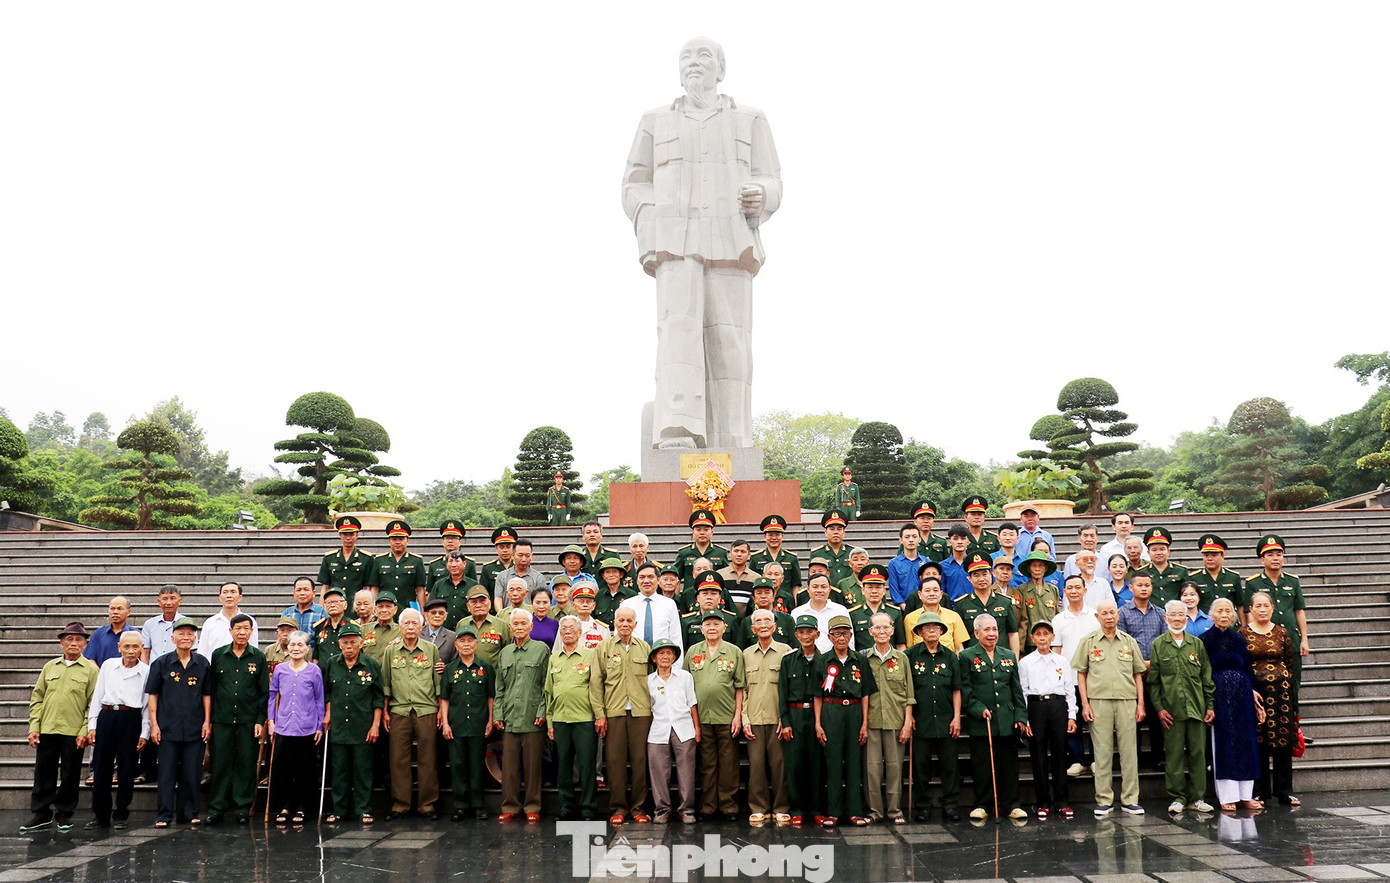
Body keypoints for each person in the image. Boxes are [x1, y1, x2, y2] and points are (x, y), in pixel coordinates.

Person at [622, 34, 781, 448]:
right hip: (675, 240)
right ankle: (679, 428)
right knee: (677, 333)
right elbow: (633, 184)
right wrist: (653, 216)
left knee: (731, 339)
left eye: (703, 56)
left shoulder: (750, 118)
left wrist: (762, 196)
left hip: (731, 239)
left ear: (720, 69)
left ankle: (733, 436)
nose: (694, 63)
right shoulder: (655, 120)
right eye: (686, 57)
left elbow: (772, 178)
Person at [1072, 599, 1147, 817]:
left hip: (1126, 701)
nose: (1109, 617)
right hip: (1099, 702)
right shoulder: (1088, 642)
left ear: (1118, 614)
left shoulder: (1129, 642)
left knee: (1129, 753)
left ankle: (1130, 799)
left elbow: (1137, 674)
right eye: (1104, 613)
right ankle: (1104, 800)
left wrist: (1140, 703)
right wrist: (1084, 704)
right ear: (1097, 617)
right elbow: (1081, 674)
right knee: (1102, 753)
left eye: (1112, 612)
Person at [22, 622, 99, 834]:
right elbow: (37, 698)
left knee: (70, 773)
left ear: (85, 644)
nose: (73, 643)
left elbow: (93, 703)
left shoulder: (91, 670)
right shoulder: (50, 667)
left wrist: (84, 730)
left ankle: (65, 814)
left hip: (73, 732)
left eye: (78, 640)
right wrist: (34, 726)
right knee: (43, 771)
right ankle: (41, 814)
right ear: (61, 643)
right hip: (47, 728)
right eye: (69, 639)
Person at [1148, 600, 1216, 814]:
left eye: (1181, 615)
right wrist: (1159, 708)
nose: (1177, 619)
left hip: (1196, 708)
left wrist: (1210, 705)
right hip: (1172, 711)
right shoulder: (1158, 645)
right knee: (1174, 755)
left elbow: (1206, 677)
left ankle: (1197, 797)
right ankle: (1177, 796)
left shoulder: (1197, 644)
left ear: (1187, 619)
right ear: (1165, 618)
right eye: (1173, 615)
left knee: (1198, 754)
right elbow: (1154, 681)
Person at [959, 614, 1028, 821]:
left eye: (994, 629)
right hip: (982, 721)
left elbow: (1017, 690)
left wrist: (1020, 716)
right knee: (982, 765)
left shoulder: (1007, 655)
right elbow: (965, 689)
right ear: (976, 633)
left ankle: (1012, 805)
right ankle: (982, 804)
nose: (992, 634)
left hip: (1006, 719)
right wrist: (978, 708)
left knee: (1009, 765)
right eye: (987, 630)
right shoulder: (967, 656)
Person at [145, 617, 211, 827]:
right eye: (181, 633)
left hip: (194, 726)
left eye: (190, 634)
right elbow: (153, 695)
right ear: (172, 638)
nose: (185, 637)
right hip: (167, 728)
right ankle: (164, 815)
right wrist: (154, 724)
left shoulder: (202, 663)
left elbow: (207, 695)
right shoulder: (161, 663)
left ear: (195, 638)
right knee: (166, 773)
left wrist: (207, 721)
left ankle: (188, 813)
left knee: (191, 772)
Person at [1201, 599, 1265, 813]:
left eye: (1228, 611)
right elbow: (1204, 672)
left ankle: (1245, 795)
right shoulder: (1205, 640)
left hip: (1242, 695)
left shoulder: (1238, 638)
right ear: (1212, 615)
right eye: (1219, 611)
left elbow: (1248, 667)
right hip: (1219, 696)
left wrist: (1254, 693)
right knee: (1225, 744)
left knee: (1246, 742)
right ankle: (1227, 796)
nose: (1224, 614)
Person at [592, 607, 654, 825]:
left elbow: (652, 680)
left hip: (641, 712)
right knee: (616, 761)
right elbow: (596, 682)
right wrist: (600, 714)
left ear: (635, 624)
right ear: (614, 622)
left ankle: (638, 807)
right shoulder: (604, 648)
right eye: (621, 620)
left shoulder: (645, 648)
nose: (625, 624)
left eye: (629, 620)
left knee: (639, 761)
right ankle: (618, 806)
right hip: (614, 711)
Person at [206, 613, 268, 825]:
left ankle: (242, 807)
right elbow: (212, 689)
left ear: (252, 631)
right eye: (238, 628)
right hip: (222, 719)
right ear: (230, 631)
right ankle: (217, 807)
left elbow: (263, 692)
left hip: (248, 721)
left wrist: (260, 720)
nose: (242, 632)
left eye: (246, 628)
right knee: (220, 763)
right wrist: (209, 720)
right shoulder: (218, 655)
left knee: (245, 764)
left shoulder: (258, 657)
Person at [83, 631, 149, 831]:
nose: (131, 651)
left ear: (141, 647)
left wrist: (144, 732)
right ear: (119, 647)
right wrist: (92, 725)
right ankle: (100, 815)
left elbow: (147, 705)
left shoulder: (146, 671)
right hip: (107, 715)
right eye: (126, 647)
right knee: (101, 767)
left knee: (127, 768)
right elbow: (97, 696)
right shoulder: (108, 666)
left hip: (131, 718)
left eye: (135, 647)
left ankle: (121, 813)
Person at [815, 614, 876, 828]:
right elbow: (817, 694)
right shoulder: (822, 660)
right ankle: (832, 812)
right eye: (838, 634)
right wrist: (818, 723)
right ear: (830, 637)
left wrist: (865, 723)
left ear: (851, 636)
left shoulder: (860, 660)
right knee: (832, 762)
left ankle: (853, 811)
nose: (842, 638)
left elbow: (866, 692)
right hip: (831, 711)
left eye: (846, 633)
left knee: (853, 762)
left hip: (854, 711)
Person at [684, 609, 745, 820]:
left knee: (728, 765)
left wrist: (738, 715)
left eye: (716, 624)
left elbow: (740, 686)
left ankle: (729, 806)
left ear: (724, 627)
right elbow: (685, 684)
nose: (712, 628)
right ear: (701, 629)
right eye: (707, 624)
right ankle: (708, 806)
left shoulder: (734, 651)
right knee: (707, 764)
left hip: (726, 716)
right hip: (701, 717)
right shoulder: (692, 651)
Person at [381, 608, 441, 820]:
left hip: (426, 709)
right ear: (399, 627)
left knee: (428, 759)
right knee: (398, 759)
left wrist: (441, 709)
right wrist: (386, 711)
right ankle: (401, 804)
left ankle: (427, 805)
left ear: (421, 626)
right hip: (399, 710)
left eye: (414, 623)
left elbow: (437, 681)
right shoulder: (391, 651)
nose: (410, 627)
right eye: (406, 623)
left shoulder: (430, 649)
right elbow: (386, 681)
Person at [1241, 591, 1300, 805]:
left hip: (1281, 695)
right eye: (1258, 606)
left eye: (1266, 605)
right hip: (1256, 695)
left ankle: (1285, 791)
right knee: (1259, 741)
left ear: (1272, 608)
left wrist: (1279, 679)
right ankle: (1260, 791)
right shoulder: (1243, 633)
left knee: (1283, 742)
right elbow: (1242, 664)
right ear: (1251, 609)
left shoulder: (1282, 632)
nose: (1263, 609)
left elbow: (1290, 663)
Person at [323, 622, 383, 825]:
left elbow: (377, 698)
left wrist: (375, 725)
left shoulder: (370, 665)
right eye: (345, 642)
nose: (349, 646)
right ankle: (339, 810)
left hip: (362, 726)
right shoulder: (332, 663)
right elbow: (328, 691)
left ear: (361, 643)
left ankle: (364, 809)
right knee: (339, 770)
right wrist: (328, 713)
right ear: (339, 645)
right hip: (339, 725)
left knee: (362, 770)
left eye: (353, 642)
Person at [1243, 534, 1309, 712]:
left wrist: (1304, 639)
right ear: (1262, 559)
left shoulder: (1293, 581)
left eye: (1279, 554)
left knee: (1293, 683)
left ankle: (1295, 726)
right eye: (1270, 554)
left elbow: (1299, 611)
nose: (1275, 558)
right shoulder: (1253, 583)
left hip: (1290, 640)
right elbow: (1249, 613)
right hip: (1264, 642)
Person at [905, 613, 962, 823]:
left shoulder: (950, 657)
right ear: (919, 632)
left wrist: (957, 717)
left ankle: (950, 805)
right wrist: (908, 717)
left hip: (947, 719)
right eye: (926, 627)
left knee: (950, 766)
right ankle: (922, 806)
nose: (931, 630)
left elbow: (956, 689)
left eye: (936, 627)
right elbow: (907, 688)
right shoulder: (910, 656)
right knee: (920, 766)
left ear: (941, 631)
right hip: (922, 720)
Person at [495, 608, 549, 822]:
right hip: (509, 717)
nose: (518, 627)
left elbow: (547, 684)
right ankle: (510, 806)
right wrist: (498, 713)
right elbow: (500, 686)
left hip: (532, 716)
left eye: (522, 624)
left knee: (533, 766)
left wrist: (542, 711)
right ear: (510, 627)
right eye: (515, 624)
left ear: (531, 626)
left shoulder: (541, 649)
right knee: (509, 768)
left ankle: (532, 806)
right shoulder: (505, 653)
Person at [1018, 620, 1076, 820]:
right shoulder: (1025, 663)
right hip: (1036, 707)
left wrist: (1071, 715)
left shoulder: (1062, 661)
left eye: (1046, 634)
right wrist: (1024, 719)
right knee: (1038, 755)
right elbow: (1023, 692)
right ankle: (1042, 801)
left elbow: (1069, 691)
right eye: (1038, 634)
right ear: (1032, 638)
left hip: (1057, 706)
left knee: (1060, 754)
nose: (1042, 637)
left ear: (1053, 637)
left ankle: (1062, 801)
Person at [266, 630, 325, 825]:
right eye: (292, 645)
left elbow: (319, 699)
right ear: (287, 647)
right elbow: (273, 694)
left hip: (306, 727)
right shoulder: (280, 669)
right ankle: (285, 806)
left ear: (308, 648)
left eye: (300, 645)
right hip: (283, 726)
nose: (296, 648)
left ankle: (302, 807)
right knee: (284, 770)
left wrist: (319, 726)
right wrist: (271, 721)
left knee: (305, 770)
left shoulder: (314, 671)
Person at [545, 616, 599, 821]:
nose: (567, 632)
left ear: (579, 633)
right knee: (563, 766)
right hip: (560, 719)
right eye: (564, 629)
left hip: (584, 719)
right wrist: (550, 722)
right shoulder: (554, 658)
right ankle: (566, 806)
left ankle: (588, 808)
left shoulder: (590, 656)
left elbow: (596, 689)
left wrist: (598, 717)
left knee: (586, 766)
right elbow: (548, 692)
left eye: (571, 629)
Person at [438, 625, 493, 822]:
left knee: (477, 766)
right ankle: (460, 805)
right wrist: (445, 723)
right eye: (462, 641)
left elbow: (490, 696)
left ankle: (478, 805)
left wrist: (490, 720)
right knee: (458, 766)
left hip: (478, 724)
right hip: (456, 724)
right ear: (456, 644)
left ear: (476, 644)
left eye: (470, 640)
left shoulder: (485, 668)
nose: (467, 644)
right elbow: (444, 698)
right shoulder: (450, 669)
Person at [741, 608, 790, 825]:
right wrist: (744, 719)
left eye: (767, 621)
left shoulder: (786, 652)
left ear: (775, 626)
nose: (763, 625)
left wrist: (785, 718)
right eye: (758, 621)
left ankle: (780, 807)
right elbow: (742, 690)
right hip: (754, 718)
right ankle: (758, 807)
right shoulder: (745, 654)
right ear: (752, 629)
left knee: (779, 765)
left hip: (777, 718)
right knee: (756, 766)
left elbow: (790, 689)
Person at [864, 612, 913, 825]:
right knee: (872, 769)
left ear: (893, 631)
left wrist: (907, 723)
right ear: (870, 632)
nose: (882, 632)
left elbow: (909, 693)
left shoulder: (902, 658)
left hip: (896, 719)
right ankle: (875, 811)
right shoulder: (863, 658)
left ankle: (894, 811)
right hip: (872, 720)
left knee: (894, 768)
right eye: (878, 628)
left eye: (886, 628)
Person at [646, 639, 700, 824]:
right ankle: (661, 809)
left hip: (684, 728)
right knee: (659, 771)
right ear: (654, 658)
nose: (665, 657)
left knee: (686, 771)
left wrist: (697, 728)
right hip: (658, 729)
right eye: (661, 653)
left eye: (669, 653)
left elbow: (692, 703)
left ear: (675, 656)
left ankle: (687, 810)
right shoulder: (649, 681)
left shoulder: (685, 677)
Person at [1051, 574, 1100, 778]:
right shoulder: (1059, 619)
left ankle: (1098, 759)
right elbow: (1056, 651)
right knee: (1073, 720)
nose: (1073, 591)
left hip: (1095, 678)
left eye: (1077, 587)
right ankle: (1077, 759)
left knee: (1096, 721)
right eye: (1069, 588)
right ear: (1064, 591)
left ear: (1084, 590)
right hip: (1069, 679)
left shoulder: (1095, 616)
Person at [778, 615, 824, 827]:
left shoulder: (824, 660)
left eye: (809, 632)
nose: (806, 636)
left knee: (816, 764)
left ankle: (815, 809)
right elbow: (782, 693)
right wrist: (785, 721)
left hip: (817, 716)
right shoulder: (788, 660)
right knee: (795, 765)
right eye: (801, 632)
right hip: (795, 715)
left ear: (817, 634)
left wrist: (822, 722)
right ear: (796, 635)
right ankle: (796, 809)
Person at [952, 552, 1020, 655]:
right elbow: (959, 641)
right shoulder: (962, 604)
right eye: (976, 575)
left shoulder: (1005, 602)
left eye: (985, 574)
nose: (982, 579)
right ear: (970, 579)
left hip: (1001, 660)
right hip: (973, 660)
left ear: (992, 574)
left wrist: (1015, 660)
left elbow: (1012, 634)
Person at [619, 563, 682, 660]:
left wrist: (676, 665)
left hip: (662, 660)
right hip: (632, 659)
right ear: (637, 581)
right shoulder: (626, 605)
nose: (646, 581)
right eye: (642, 577)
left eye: (651, 577)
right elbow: (618, 637)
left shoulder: (669, 604)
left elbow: (675, 636)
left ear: (658, 580)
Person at [369, 520, 429, 614]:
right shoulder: (379, 560)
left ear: (407, 540)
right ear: (389, 541)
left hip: (407, 608)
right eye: (394, 539)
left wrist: (423, 612)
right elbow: (374, 588)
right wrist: (372, 610)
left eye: (401, 539)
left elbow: (420, 590)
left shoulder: (416, 561)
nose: (397, 542)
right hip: (384, 609)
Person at [317, 515, 376, 604]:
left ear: (357, 535)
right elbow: (325, 587)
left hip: (356, 606)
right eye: (345, 534)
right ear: (340, 535)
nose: (348, 538)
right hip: (334, 605)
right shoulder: (329, 558)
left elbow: (367, 588)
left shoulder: (366, 558)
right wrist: (322, 609)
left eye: (351, 534)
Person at [848, 564, 907, 652]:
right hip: (864, 661)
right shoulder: (853, 614)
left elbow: (900, 644)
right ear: (863, 590)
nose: (874, 591)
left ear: (884, 591)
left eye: (878, 587)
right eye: (870, 587)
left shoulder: (895, 612)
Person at [1013, 551, 1061, 655]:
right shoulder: (1022, 590)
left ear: (1046, 568)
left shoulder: (1053, 590)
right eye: (1034, 565)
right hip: (1030, 642)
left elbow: (1058, 616)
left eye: (1041, 565)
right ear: (1029, 569)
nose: (1037, 569)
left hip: (1050, 641)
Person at [903, 575, 967, 652]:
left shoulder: (954, 616)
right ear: (920, 594)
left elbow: (959, 648)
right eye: (927, 590)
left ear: (941, 594)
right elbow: (909, 647)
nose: (932, 594)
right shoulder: (910, 618)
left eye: (935, 590)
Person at [197, 581, 259, 660]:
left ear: (240, 597)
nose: (229, 596)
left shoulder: (249, 621)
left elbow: (253, 649)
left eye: (233, 592)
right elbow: (202, 651)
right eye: (225, 592)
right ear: (220, 597)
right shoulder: (210, 623)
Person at [790, 573, 851, 653]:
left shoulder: (840, 611)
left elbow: (849, 638)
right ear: (808, 589)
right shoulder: (797, 613)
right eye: (815, 587)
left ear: (829, 589)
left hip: (835, 659)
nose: (819, 590)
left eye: (823, 587)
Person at [673, 510, 730, 591]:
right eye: (698, 530)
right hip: (690, 598)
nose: (702, 533)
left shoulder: (720, 552)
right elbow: (675, 578)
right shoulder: (684, 553)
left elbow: (727, 577)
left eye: (706, 530)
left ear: (712, 532)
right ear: (693, 532)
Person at [733, 577, 796, 649]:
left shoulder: (787, 620)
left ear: (773, 596)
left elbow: (795, 648)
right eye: (759, 593)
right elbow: (741, 649)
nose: (763, 596)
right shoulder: (747, 622)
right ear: (753, 598)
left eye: (767, 592)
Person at [1191, 533, 1245, 617]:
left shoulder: (1233, 577)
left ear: (1223, 556)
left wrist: (1243, 627)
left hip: (1228, 624)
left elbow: (1240, 604)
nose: (1209, 559)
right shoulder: (1194, 578)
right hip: (1204, 625)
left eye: (1214, 555)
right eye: (1206, 555)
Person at [749, 514, 802, 597]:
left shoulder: (791, 558)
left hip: (785, 602)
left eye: (777, 534)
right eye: (770, 535)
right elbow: (751, 583)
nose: (774, 538)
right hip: (763, 601)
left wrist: (795, 604)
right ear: (764, 537)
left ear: (782, 536)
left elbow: (795, 585)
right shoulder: (755, 558)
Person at [457, 585, 507, 668]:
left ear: (490, 603)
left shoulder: (501, 625)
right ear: (468, 607)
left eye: (482, 601)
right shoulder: (462, 624)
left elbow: (507, 653)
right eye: (474, 602)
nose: (478, 605)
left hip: (493, 677)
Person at [430, 551, 480, 633]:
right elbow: (431, 607)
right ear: (446, 565)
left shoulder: (473, 585)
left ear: (464, 564)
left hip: (467, 630)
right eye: (450, 561)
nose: (453, 565)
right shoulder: (439, 585)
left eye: (457, 561)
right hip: (443, 631)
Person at [1138, 527, 1189, 607]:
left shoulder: (1181, 571)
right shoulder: (1142, 573)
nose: (1158, 553)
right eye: (1154, 550)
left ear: (1168, 552)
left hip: (1175, 614)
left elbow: (1187, 594)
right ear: (1148, 553)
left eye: (1162, 549)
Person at [85, 596, 139, 667]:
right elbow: (90, 658)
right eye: (112, 609)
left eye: (120, 609)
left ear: (129, 612)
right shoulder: (99, 633)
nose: (115, 612)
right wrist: (102, 673)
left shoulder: (136, 634)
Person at [426, 520, 478, 588]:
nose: (450, 541)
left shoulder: (469, 563)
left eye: (454, 538)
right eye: (447, 538)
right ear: (442, 542)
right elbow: (430, 592)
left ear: (460, 541)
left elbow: (474, 588)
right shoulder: (434, 565)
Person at [809, 509, 855, 586]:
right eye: (832, 529)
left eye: (839, 529)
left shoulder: (852, 552)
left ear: (844, 533)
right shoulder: (817, 553)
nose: (836, 532)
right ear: (826, 532)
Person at [313, 588, 353, 674]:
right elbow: (316, 655)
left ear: (345, 605)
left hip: (343, 674)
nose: (332, 605)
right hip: (322, 675)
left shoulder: (352, 626)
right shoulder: (320, 626)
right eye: (329, 602)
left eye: (336, 601)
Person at [281, 577, 327, 650]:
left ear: (314, 593)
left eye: (306, 590)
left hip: (313, 656)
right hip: (292, 655)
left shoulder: (322, 612)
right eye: (298, 590)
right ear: (294, 593)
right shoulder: (287, 613)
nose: (302, 593)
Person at [888, 524, 928, 606]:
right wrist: (904, 608)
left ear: (919, 539)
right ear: (901, 540)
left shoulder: (927, 562)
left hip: (925, 606)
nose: (911, 540)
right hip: (903, 608)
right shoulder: (894, 563)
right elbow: (894, 590)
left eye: (914, 536)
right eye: (907, 537)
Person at [362, 591, 402, 670]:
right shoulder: (364, 629)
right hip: (368, 675)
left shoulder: (401, 631)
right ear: (375, 609)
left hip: (391, 676)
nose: (384, 610)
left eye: (388, 606)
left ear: (395, 610)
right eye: (380, 606)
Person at [716, 539, 758, 612]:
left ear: (748, 555)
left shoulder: (756, 578)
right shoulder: (719, 575)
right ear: (730, 553)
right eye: (736, 551)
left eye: (743, 551)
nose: (739, 554)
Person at [479, 527, 520, 601]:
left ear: (514, 548)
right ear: (496, 548)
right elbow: (483, 592)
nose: (505, 550)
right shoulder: (488, 568)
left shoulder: (520, 566)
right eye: (501, 547)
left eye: (508, 547)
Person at [595, 558, 636, 626]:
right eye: (607, 572)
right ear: (603, 576)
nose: (611, 575)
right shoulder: (598, 596)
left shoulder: (631, 595)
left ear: (621, 574)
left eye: (614, 571)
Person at [570, 582, 611, 649]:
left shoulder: (602, 628)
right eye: (581, 601)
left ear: (593, 606)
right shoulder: (566, 627)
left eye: (588, 602)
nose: (585, 605)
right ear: (573, 605)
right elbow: (558, 652)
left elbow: (607, 654)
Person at [939, 526, 974, 601]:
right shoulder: (942, 566)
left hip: (973, 606)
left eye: (963, 538)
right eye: (955, 538)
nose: (959, 542)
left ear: (968, 541)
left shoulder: (974, 564)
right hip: (951, 607)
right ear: (949, 541)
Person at [422, 598, 457, 666]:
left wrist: (445, 667)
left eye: (441, 613)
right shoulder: (418, 634)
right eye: (433, 613)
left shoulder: (452, 637)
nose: (437, 615)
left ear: (445, 616)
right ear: (426, 616)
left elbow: (455, 662)